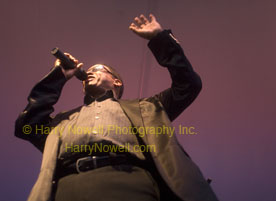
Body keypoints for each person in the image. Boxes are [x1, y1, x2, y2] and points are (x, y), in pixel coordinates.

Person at [15, 14, 219, 201]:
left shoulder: (147, 108)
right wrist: (57, 77)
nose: (90, 72)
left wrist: (160, 39)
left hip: (131, 185)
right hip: (66, 189)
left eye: (98, 69)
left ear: (117, 82)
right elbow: (28, 126)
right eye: (90, 70)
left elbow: (188, 85)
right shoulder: (64, 120)